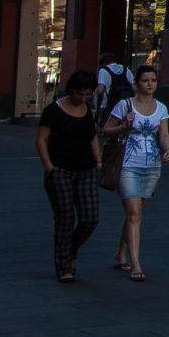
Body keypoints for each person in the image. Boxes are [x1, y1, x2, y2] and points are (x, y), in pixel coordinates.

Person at [104, 65, 169, 282]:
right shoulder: (125, 105)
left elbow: (164, 133)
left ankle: (120, 252)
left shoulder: (161, 108)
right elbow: (107, 129)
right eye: (145, 80)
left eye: (153, 80)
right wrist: (124, 126)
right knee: (134, 213)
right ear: (136, 84)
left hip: (151, 164)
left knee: (136, 213)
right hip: (127, 163)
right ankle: (136, 264)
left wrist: (167, 148)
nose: (150, 84)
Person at [35, 69, 103, 284]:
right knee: (65, 218)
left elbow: (92, 136)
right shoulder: (53, 111)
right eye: (79, 94)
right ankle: (65, 266)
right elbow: (41, 140)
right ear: (71, 90)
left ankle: (70, 249)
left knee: (90, 218)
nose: (83, 99)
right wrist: (49, 167)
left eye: (87, 95)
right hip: (60, 170)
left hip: (87, 169)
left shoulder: (88, 110)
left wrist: (98, 160)